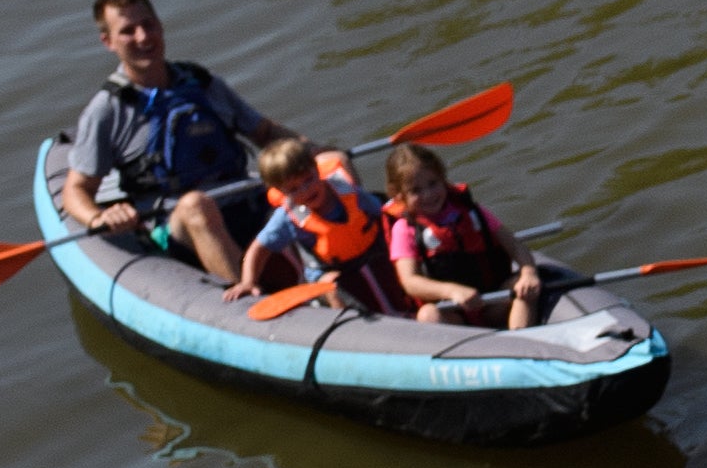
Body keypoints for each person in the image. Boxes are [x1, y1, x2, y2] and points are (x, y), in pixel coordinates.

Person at [47, 0, 297, 275]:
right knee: (196, 206)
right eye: (128, 31)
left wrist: (314, 151)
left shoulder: (202, 83)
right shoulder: (107, 110)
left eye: (148, 25)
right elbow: (76, 190)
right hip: (176, 223)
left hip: (243, 200)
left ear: (160, 26)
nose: (143, 37)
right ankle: (247, 301)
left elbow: (265, 132)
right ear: (108, 42)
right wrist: (98, 217)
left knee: (323, 170)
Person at [379, 141, 548, 327]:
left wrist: (529, 272)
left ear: (443, 179)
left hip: (491, 303)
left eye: (433, 183)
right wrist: (451, 291)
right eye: (415, 190)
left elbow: (515, 245)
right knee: (428, 315)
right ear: (399, 195)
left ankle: (521, 340)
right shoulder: (404, 229)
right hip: (453, 313)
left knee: (522, 285)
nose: (428, 194)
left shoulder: (469, 211)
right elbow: (410, 282)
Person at [230, 135, 400, 316]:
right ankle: (347, 327)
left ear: (316, 169)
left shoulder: (346, 190)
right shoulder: (287, 217)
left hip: (369, 251)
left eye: (308, 179)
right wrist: (248, 281)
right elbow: (258, 248)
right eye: (294, 189)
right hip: (327, 270)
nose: (306, 190)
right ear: (281, 191)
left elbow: (380, 213)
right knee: (332, 288)